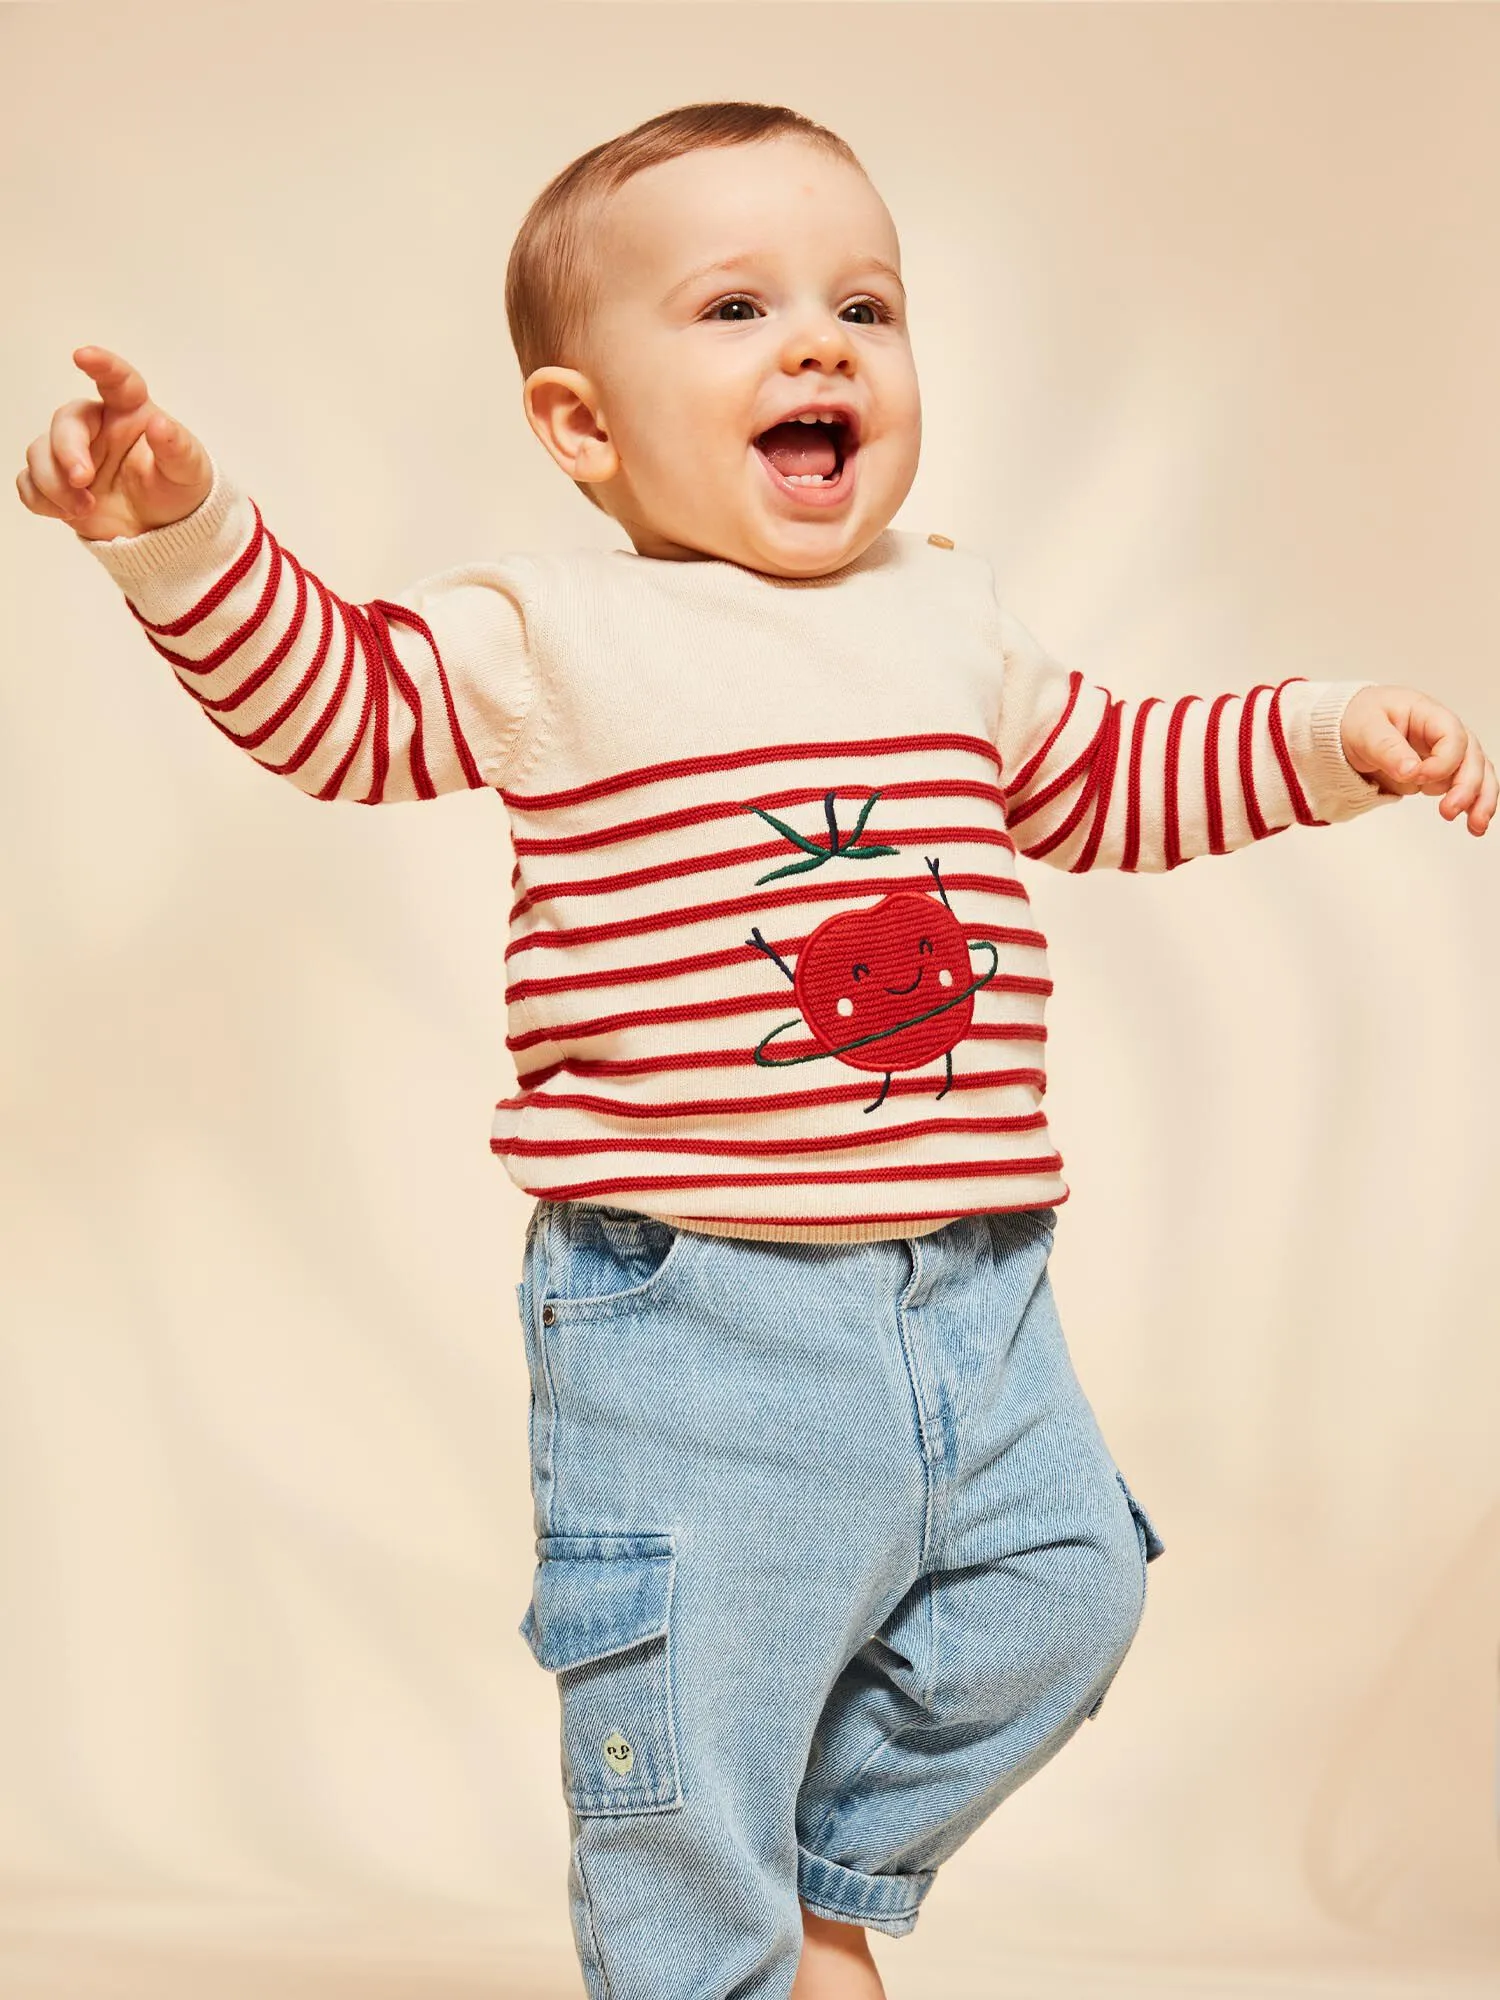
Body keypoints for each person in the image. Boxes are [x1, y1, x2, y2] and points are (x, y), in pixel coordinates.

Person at [16, 97, 1492, 2000]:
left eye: (863, 305)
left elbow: (1110, 773)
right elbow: (338, 710)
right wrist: (177, 531)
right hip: (691, 1307)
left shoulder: (948, 610)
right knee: (691, 1721)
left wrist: (1328, 733)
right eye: (735, 310)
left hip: (978, 1286)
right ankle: (731, 1961)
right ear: (581, 424)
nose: (819, 343)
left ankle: (831, 1882)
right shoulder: (552, 630)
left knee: (1065, 1595)